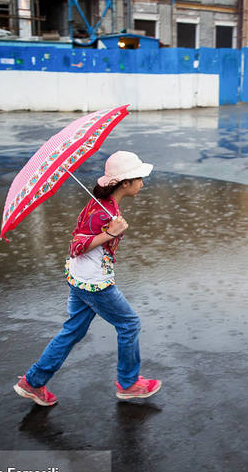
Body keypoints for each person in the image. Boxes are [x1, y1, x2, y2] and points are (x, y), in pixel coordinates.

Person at [13, 151, 162, 406]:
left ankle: (33, 382)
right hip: (94, 283)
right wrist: (109, 234)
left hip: (81, 276)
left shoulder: (103, 205)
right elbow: (76, 245)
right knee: (129, 324)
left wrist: (111, 232)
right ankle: (128, 383)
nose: (142, 184)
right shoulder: (102, 213)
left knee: (73, 330)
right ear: (125, 183)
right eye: (139, 179)